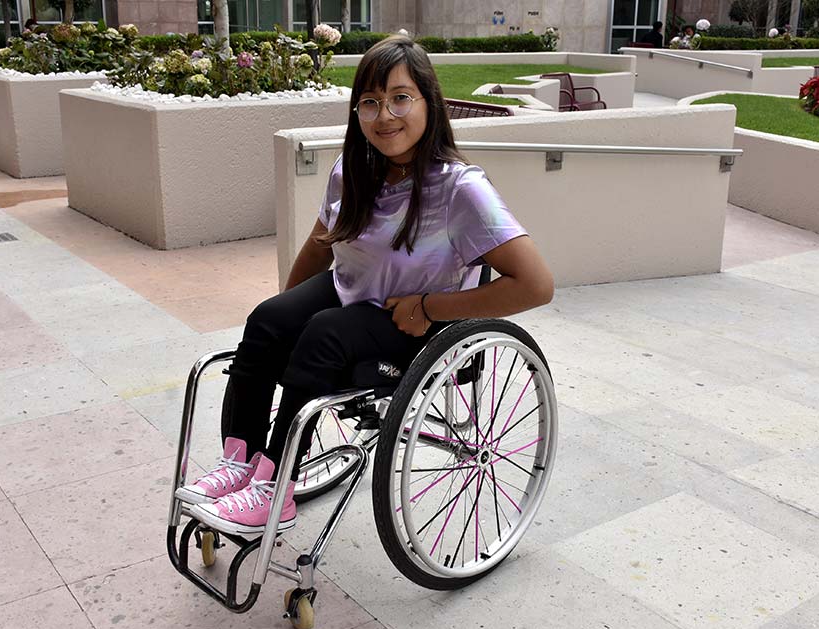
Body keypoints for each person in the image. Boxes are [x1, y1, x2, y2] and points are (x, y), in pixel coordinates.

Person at [177, 35, 555, 536]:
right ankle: (240, 463)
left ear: (429, 103)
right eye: (370, 103)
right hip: (352, 293)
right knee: (268, 320)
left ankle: (275, 489)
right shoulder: (353, 170)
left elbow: (536, 284)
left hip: (413, 322)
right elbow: (319, 246)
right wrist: (286, 310)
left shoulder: (461, 189)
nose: (385, 116)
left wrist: (430, 306)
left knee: (325, 333)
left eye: (400, 97)